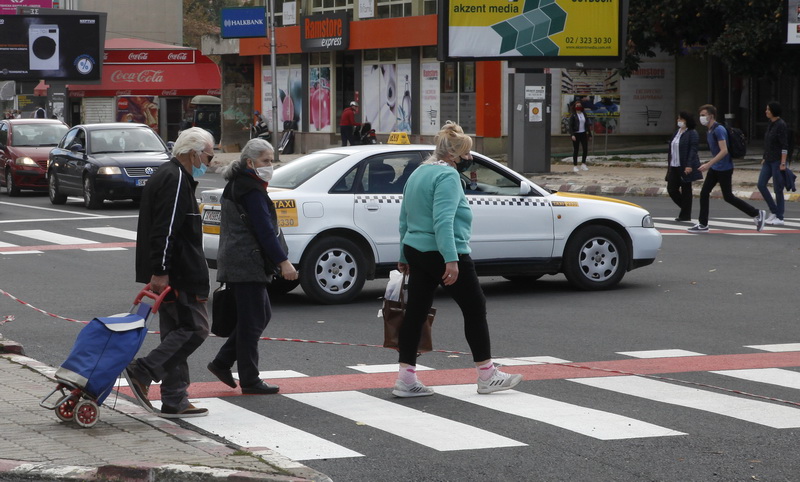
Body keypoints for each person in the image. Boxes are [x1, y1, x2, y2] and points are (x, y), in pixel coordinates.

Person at [392, 120, 523, 398]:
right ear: (452, 155)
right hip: (445, 252)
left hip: (416, 249)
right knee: (475, 307)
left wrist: (403, 254)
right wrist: (451, 260)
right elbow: (444, 221)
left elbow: (404, 217)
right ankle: (487, 374)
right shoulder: (448, 177)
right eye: (465, 154)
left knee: (416, 313)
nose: (469, 159)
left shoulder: (418, 172)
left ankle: (406, 378)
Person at [125, 127, 215, 418]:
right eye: (208, 156)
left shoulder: (172, 175)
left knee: (175, 334)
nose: (209, 163)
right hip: (180, 273)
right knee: (195, 330)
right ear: (193, 153)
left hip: (174, 271)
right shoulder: (175, 179)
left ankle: (175, 398)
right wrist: (161, 270)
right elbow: (165, 231)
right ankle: (143, 370)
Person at [207, 138, 298, 394]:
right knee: (253, 321)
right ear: (250, 162)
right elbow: (264, 230)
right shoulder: (251, 189)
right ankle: (249, 379)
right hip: (246, 260)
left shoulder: (239, 184)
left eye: (271, 160)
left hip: (237, 258)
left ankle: (222, 362)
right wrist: (283, 262)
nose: (270, 165)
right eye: (265, 161)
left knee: (259, 316)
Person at [688, 104, 765, 233]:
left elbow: (724, 151)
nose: (701, 118)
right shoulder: (710, 130)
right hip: (717, 168)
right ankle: (703, 224)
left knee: (728, 196)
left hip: (724, 168)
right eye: (700, 115)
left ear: (711, 116)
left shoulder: (719, 130)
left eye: (703, 115)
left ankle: (756, 213)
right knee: (704, 192)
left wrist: (708, 164)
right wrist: (710, 163)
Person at [665, 112, 702, 222]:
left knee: (686, 190)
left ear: (687, 120)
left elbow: (693, 150)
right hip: (674, 165)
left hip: (685, 165)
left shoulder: (692, 133)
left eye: (681, 119)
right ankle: (686, 209)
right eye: (678, 118)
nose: (678, 120)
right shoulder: (677, 132)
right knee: (671, 189)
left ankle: (685, 214)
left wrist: (689, 165)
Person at [758, 101, 789, 226]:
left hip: (777, 161)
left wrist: (783, 162)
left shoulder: (781, 125)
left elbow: (784, 144)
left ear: (774, 111)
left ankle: (779, 216)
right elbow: (768, 142)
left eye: (768, 110)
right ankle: (774, 211)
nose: (766, 112)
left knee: (778, 189)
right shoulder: (770, 123)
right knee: (761, 184)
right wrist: (765, 157)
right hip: (768, 160)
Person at [569, 100, 593, 172]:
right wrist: (572, 134)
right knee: (576, 150)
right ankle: (575, 165)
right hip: (576, 134)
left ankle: (583, 164)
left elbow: (587, 125)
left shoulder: (584, 114)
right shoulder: (573, 115)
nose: (578, 107)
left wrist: (589, 134)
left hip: (583, 133)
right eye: (577, 106)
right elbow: (570, 126)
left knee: (585, 148)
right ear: (575, 107)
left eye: (579, 106)